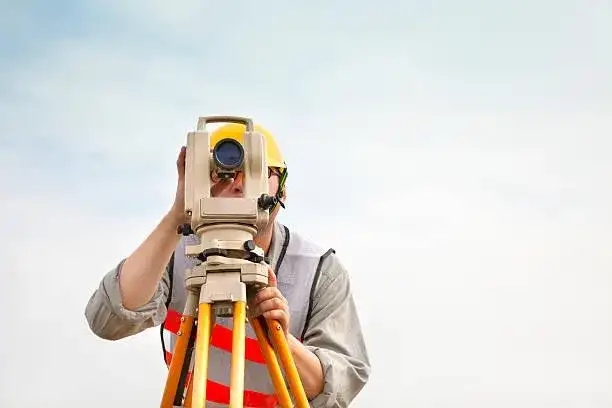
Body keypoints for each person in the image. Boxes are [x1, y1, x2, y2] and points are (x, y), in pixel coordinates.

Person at [84, 122, 371, 407]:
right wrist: (177, 216)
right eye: (224, 171)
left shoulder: (319, 270)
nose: (238, 183)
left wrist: (282, 340)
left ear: (282, 189)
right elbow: (108, 320)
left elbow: (339, 390)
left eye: (256, 171)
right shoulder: (175, 252)